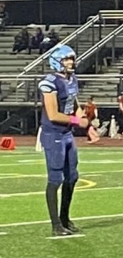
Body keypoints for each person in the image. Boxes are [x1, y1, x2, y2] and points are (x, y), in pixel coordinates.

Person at [38, 45, 89, 236]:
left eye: (72, 59)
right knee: (55, 178)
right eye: (66, 59)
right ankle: (55, 224)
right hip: (54, 134)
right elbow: (53, 114)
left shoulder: (72, 79)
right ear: (57, 61)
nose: (70, 62)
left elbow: (74, 102)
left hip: (67, 134)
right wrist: (77, 120)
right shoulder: (49, 83)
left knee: (72, 176)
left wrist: (82, 117)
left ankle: (65, 218)